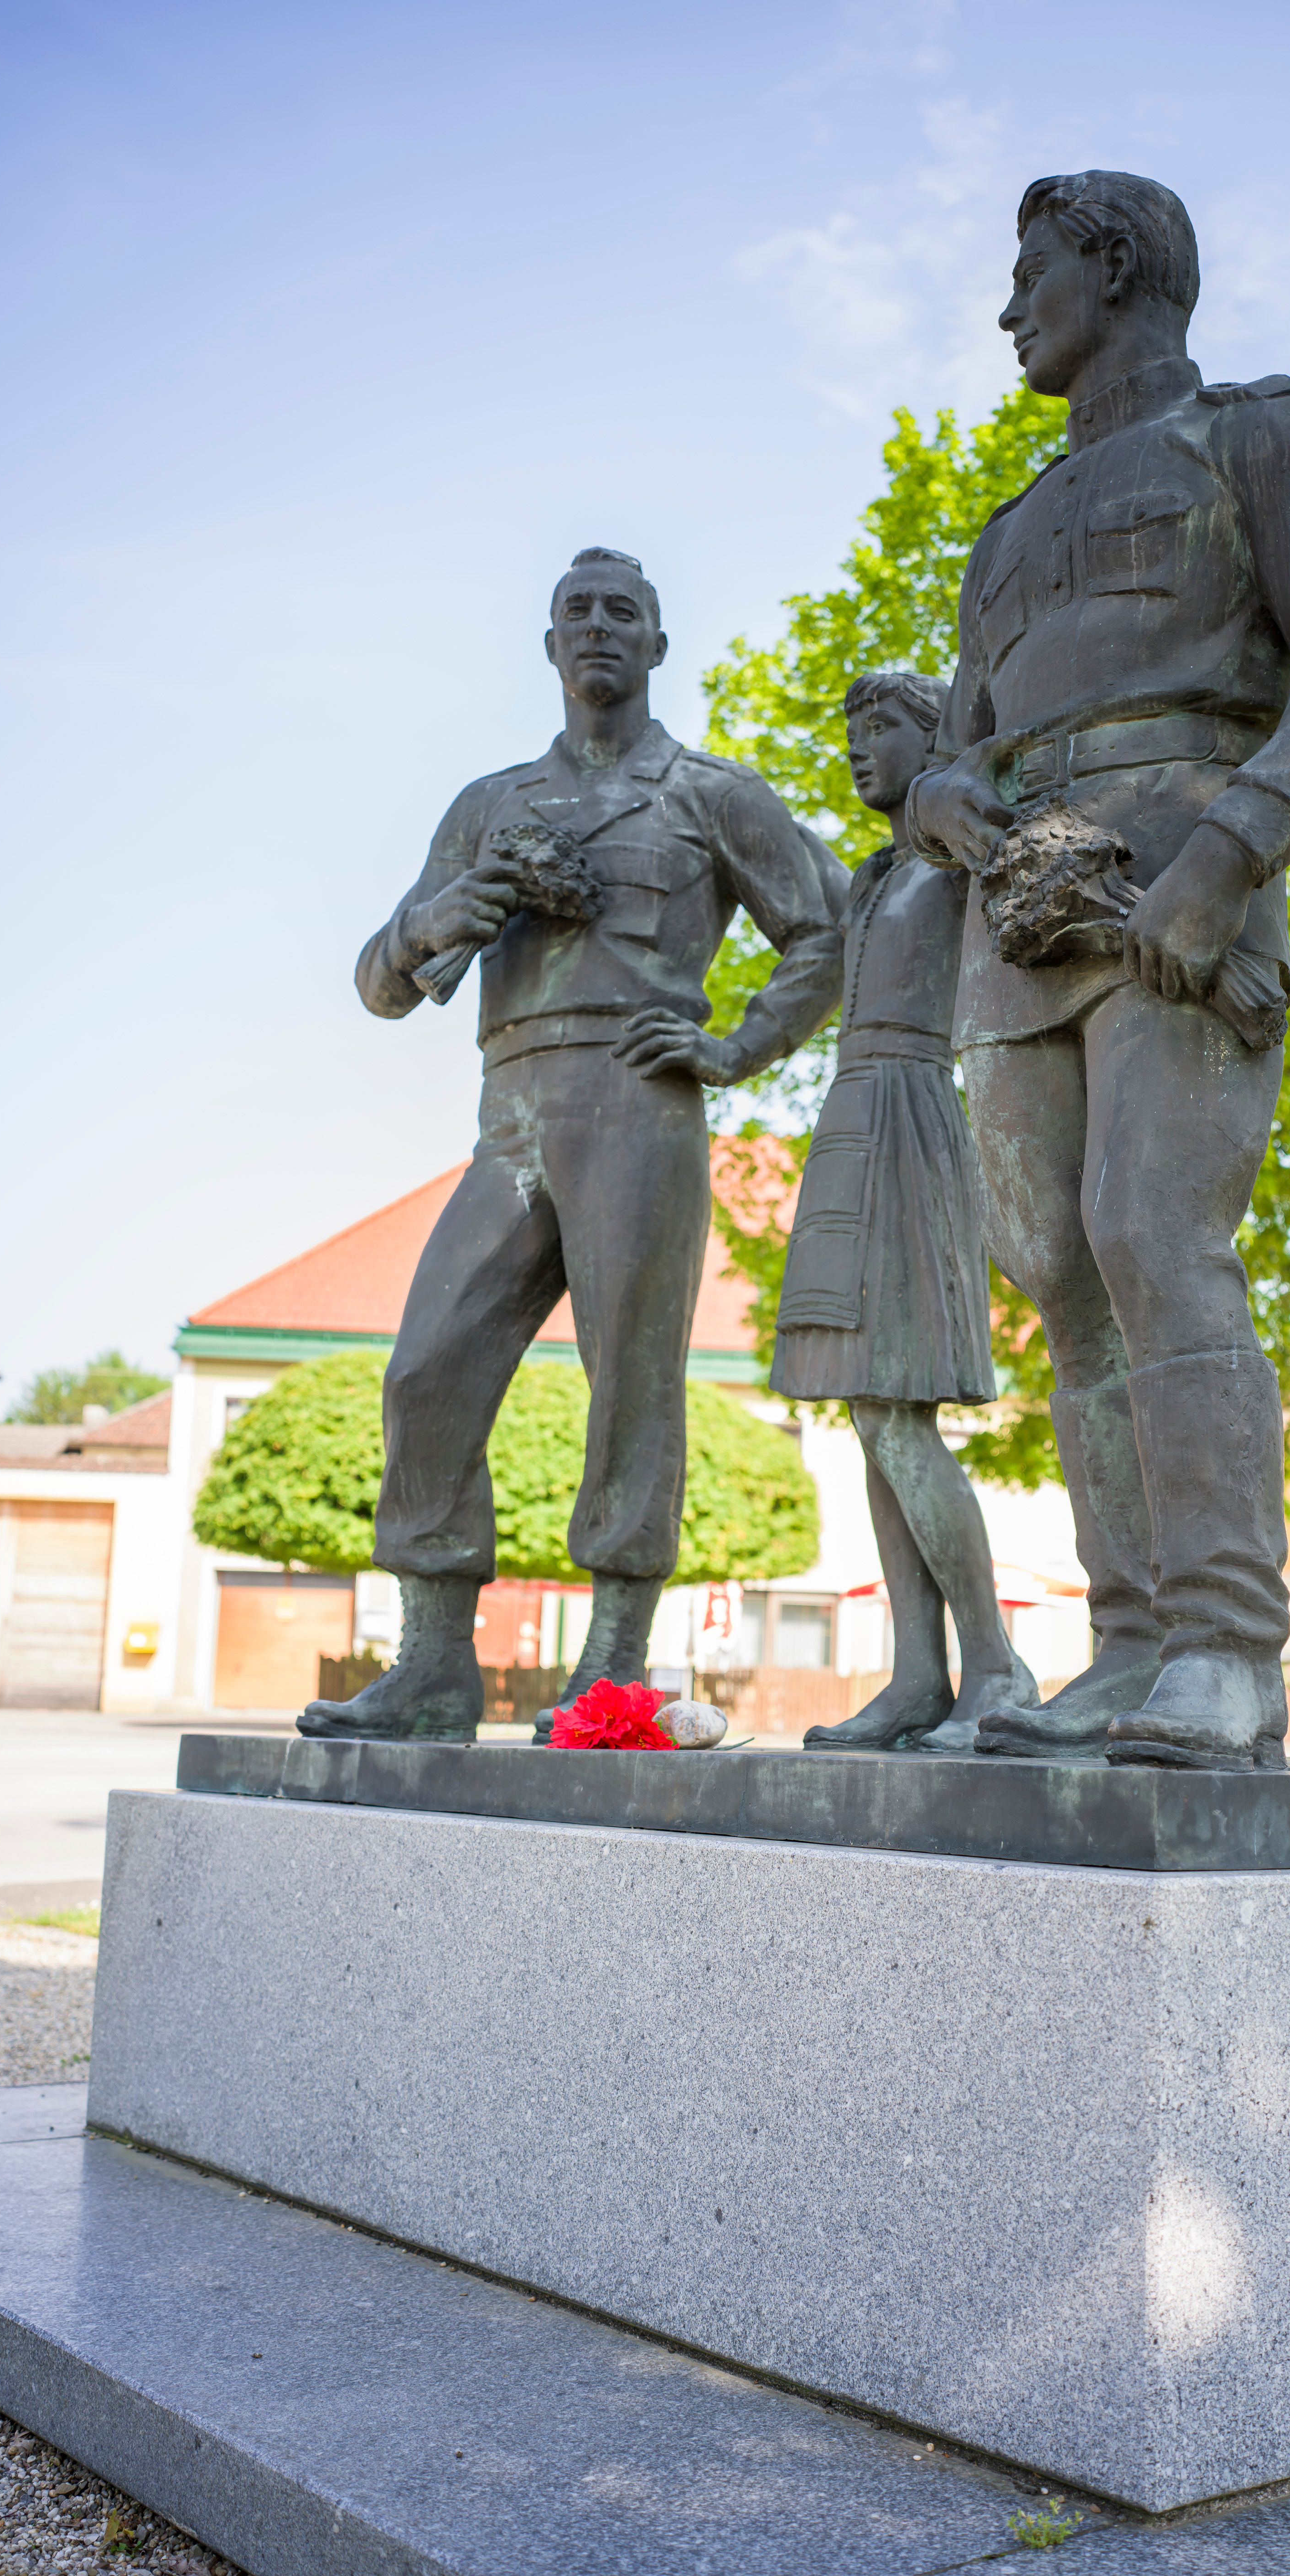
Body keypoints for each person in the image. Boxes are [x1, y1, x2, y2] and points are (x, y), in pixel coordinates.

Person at [905, 173, 1290, 1768]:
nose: (1008, 312)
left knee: (1152, 1230)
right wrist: (938, 792)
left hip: (1181, 871)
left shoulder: (1253, 436)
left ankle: (1223, 1646)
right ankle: (1128, 1647)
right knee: (1060, 1267)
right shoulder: (1005, 534)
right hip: (1021, 916)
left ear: (1113, 268)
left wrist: (1233, 853)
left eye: (1031, 275)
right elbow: (971, 742)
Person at [299, 549, 842, 1742]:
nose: (599, 629)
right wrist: (433, 920)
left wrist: (738, 1045)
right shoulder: (489, 805)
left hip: (638, 1102)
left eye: (624, 614)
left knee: (631, 1384)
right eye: (576, 614)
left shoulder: (711, 795)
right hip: (510, 1108)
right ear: (550, 648)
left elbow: (822, 932)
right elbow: (379, 986)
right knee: (428, 1366)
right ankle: (436, 1662)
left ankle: (612, 1667)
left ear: (656, 646)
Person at [771, 673, 1039, 1755]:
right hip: (853, 1115)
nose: (856, 748)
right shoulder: (874, 875)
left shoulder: (951, 843)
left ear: (934, 740)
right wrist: (725, 1051)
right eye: (849, 730)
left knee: (896, 1409)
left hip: (915, 1113)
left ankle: (995, 1667)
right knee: (867, 1408)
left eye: (879, 726)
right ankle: (920, 1675)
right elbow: (807, 991)